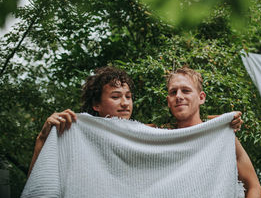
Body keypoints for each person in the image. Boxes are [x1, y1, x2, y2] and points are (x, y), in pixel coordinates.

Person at [28, 66, 243, 174]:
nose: (125, 103)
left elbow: (185, 129)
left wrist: (219, 122)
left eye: (128, 97)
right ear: (96, 104)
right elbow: (41, 183)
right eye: (115, 97)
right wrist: (42, 138)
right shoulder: (75, 132)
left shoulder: (141, 132)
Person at [166, 66, 261, 198]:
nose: (179, 96)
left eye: (186, 90)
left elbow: (254, 187)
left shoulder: (222, 137)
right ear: (168, 100)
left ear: (201, 97)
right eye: (173, 92)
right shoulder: (161, 137)